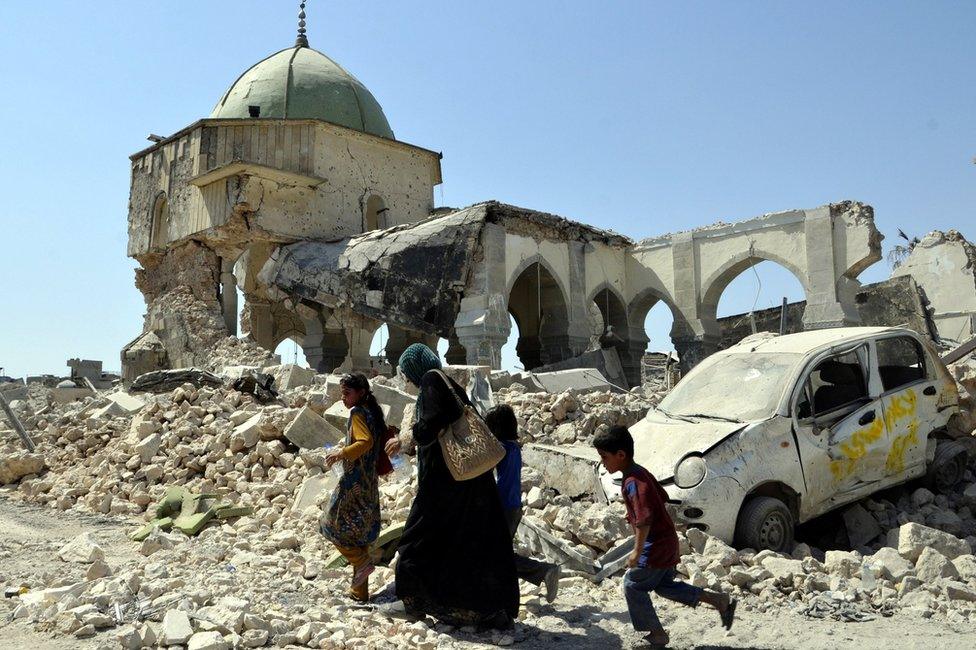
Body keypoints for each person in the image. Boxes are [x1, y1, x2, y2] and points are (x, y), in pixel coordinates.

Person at [390, 343, 519, 629]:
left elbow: (433, 422)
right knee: (466, 543)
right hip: (468, 481)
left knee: (416, 536)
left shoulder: (431, 380)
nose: (408, 381)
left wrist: (408, 439)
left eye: (406, 374)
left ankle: (412, 602)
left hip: (445, 481)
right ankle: (481, 610)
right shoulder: (450, 384)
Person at [593, 425, 736, 648]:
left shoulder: (633, 483)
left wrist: (637, 552)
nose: (603, 462)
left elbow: (644, 520)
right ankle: (719, 601)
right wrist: (634, 511)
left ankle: (657, 634)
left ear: (620, 455)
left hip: (655, 546)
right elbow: (662, 496)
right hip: (667, 541)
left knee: (632, 584)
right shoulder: (640, 473)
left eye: (604, 457)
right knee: (664, 586)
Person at [322, 373, 391, 603]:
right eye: (342, 394)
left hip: (354, 484)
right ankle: (359, 593)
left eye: (347, 393)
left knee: (330, 524)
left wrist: (341, 453)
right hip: (369, 483)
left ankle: (361, 563)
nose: (343, 399)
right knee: (359, 537)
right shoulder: (373, 413)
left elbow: (365, 442)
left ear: (360, 393)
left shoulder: (358, 413)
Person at [484, 404, 561, 602]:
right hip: (513, 506)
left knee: (495, 556)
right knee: (498, 553)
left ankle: (544, 571)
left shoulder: (500, 449)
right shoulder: (513, 447)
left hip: (503, 507)